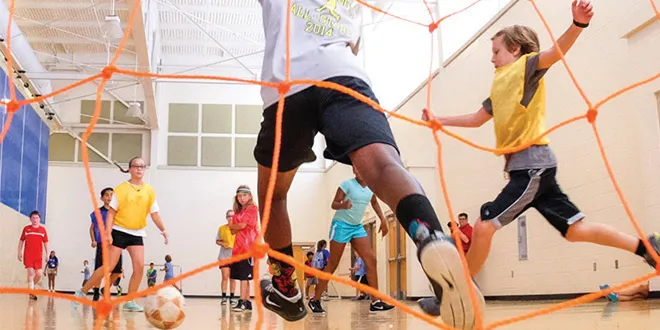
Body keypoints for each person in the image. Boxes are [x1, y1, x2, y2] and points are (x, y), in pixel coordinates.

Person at [420, 0, 660, 316]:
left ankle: (455, 294)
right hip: (533, 168)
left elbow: (556, 53)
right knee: (576, 230)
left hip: (531, 166)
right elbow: (479, 117)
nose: (492, 58)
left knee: (483, 226)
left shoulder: (527, 67)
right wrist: (441, 120)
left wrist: (577, 24)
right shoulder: (500, 82)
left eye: (496, 51)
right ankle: (647, 247)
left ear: (516, 50)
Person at [255, 2, 483, 326]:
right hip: (345, 76)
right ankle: (431, 237)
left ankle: (286, 288)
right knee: (384, 166)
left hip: (289, 83)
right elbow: (353, 44)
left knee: (273, 196)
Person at [73, 157, 169, 312]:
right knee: (108, 267)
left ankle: (130, 301)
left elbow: (155, 214)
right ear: (130, 169)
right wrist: (108, 233)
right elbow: (111, 213)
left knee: (139, 267)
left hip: (137, 233)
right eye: (136, 166)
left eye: (142, 167)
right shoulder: (121, 189)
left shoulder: (149, 191)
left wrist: (163, 230)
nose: (139, 169)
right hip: (119, 231)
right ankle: (82, 292)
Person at [309, 167, 393, 314]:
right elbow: (334, 203)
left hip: (357, 227)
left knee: (371, 260)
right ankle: (315, 299)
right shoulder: (347, 184)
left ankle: (376, 302)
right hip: (341, 225)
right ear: (354, 170)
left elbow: (374, 202)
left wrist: (383, 219)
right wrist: (343, 205)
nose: (360, 171)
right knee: (333, 263)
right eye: (357, 168)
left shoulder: (371, 187)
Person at [89, 187, 123, 302]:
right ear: (102, 198)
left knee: (117, 270)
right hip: (102, 243)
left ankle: (106, 288)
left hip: (116, 244)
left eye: (111, 195)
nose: (109, 197)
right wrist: (93, 240)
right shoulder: (97, 213)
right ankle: (96, 292)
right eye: (107, 195)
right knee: (99, 269)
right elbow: (92, 228)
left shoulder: (118, 212)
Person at [228, 185, 259, 312]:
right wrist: (237, 226)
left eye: (244, 195)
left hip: (248, 247)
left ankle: (243, 301)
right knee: (241, 275)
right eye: (239, 196)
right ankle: (246, 302)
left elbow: (241, 225)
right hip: (238, 248)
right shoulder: (238, 212)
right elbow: (231, 230)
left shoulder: (252, 209)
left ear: (250, 196)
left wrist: (237, 226)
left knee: (244, 276)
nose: (241, 198)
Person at [18, 211, 49, 300]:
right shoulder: (26, 229)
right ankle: (31, 293)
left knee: (39, 274)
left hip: (38, 256)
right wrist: (19, 252)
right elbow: (21, 241)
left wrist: (47, 254)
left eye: (37, 218)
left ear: (39, 219)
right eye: (33, 218)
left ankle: (32, 286)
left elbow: (46, 242)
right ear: (30, 219)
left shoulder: (43, 230)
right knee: (31, 273)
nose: (35, 220)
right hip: (28, 255)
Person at [216, 209, 237, 305]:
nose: (231, 218)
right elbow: (217, 241)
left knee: (233, 277)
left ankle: (232, 297)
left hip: (235, 256)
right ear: (226, 217)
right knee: (225, 276)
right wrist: (222, 244)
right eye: (229, 216)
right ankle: (224, 297)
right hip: (224, 256)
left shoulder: (238, 229)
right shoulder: (221, 228)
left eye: (232, 216)